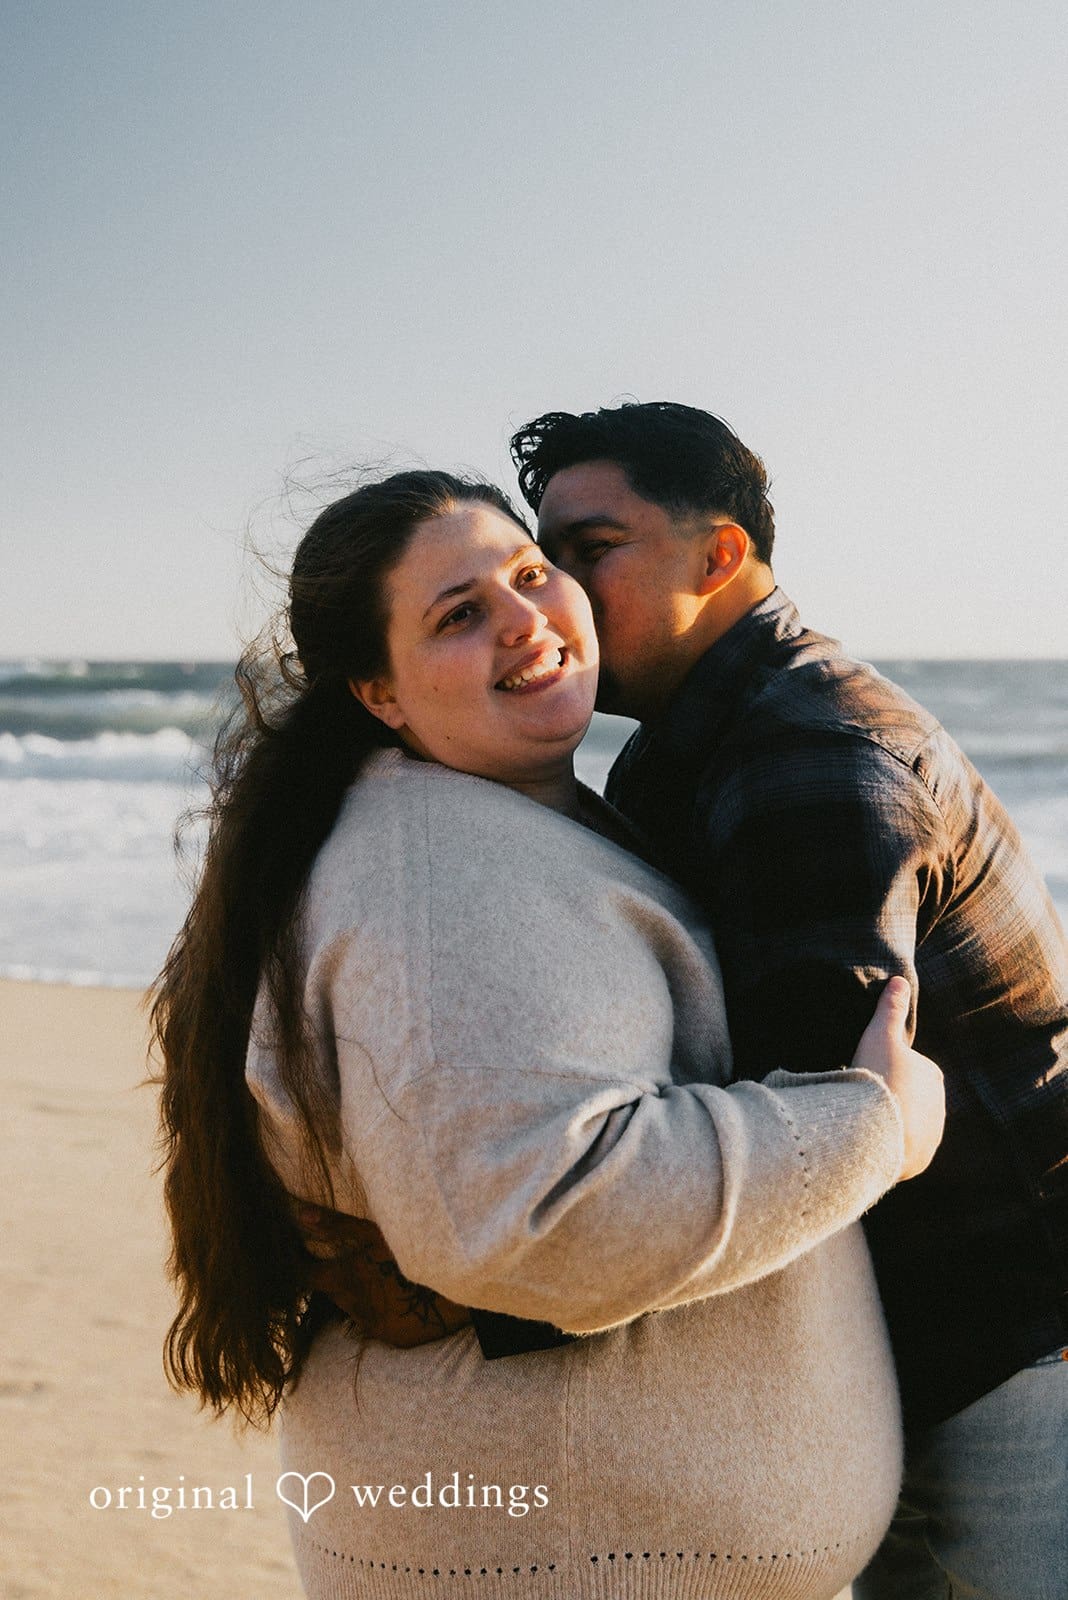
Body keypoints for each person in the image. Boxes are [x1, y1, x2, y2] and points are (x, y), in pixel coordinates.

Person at [153, 469, 945, 1600]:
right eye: (459, 614)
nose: (526, 618)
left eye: (531, 574)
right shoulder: (442, 878)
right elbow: (542, 1212)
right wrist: (872, 1127)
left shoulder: (473, 825)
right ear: (379, 691)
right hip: (568, 1558)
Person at [507, 401, 1068, 1600]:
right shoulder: (694, 744)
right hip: (929, 1332)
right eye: (543, 556)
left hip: (1013, 1343)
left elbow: (811, 1122)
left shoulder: (801, 749)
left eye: (591, 550)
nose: (553, 594)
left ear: (719, 556)